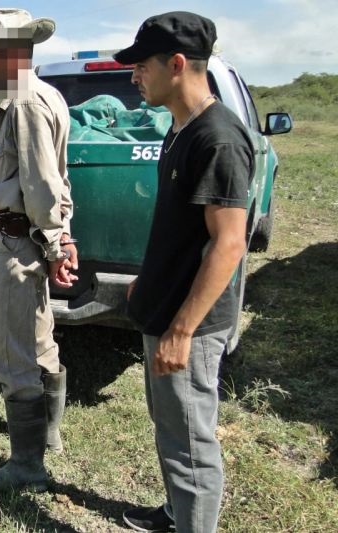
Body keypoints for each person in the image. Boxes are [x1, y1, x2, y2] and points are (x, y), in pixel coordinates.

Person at [116, 12, 254, 533]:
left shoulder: (218, 139)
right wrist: (149, 279)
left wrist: (181, 330)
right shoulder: (180, 128)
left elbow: (229, 243)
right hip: (165, 305)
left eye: (141, 65)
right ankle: (178, 511)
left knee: (191, 444)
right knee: (172, 428)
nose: (134, 76)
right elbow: (181, 228)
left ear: (176, 64)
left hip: (189, 324)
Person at [0, 8, 78, 491]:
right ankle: (48, 436)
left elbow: (42, 185)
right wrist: (62, 239)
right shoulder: (42, 95)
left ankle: (27, 467)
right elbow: (57, 180)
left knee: (11, 352)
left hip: (19, 241)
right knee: (40, 338)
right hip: (33, 239)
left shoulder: (25, 102)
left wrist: (53, 245)